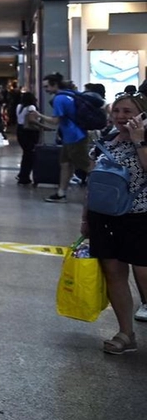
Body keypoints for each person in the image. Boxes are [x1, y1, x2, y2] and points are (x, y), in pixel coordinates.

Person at [81, 93, 147, 354]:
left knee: (143, 274)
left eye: (128, 111)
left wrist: (139, 139)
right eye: (117, 111)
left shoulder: (142, 138)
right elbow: (92, 181)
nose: (121, 116)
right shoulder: (104, 140)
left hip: (140, 215)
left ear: (141, 114)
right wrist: (85, 217)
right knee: (114, 272)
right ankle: (125, 333)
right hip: (104, 217)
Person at [38, 73, 91, 203]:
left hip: (74, 137)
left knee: (86, 165)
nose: (46, 90)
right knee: (65, 164)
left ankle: (102, 191)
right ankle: (61, 192)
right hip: (75, 135)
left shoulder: (59, 99)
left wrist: (39, 115)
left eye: (47, 87)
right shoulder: (70, 95)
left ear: (54, 84)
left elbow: (55, 121)